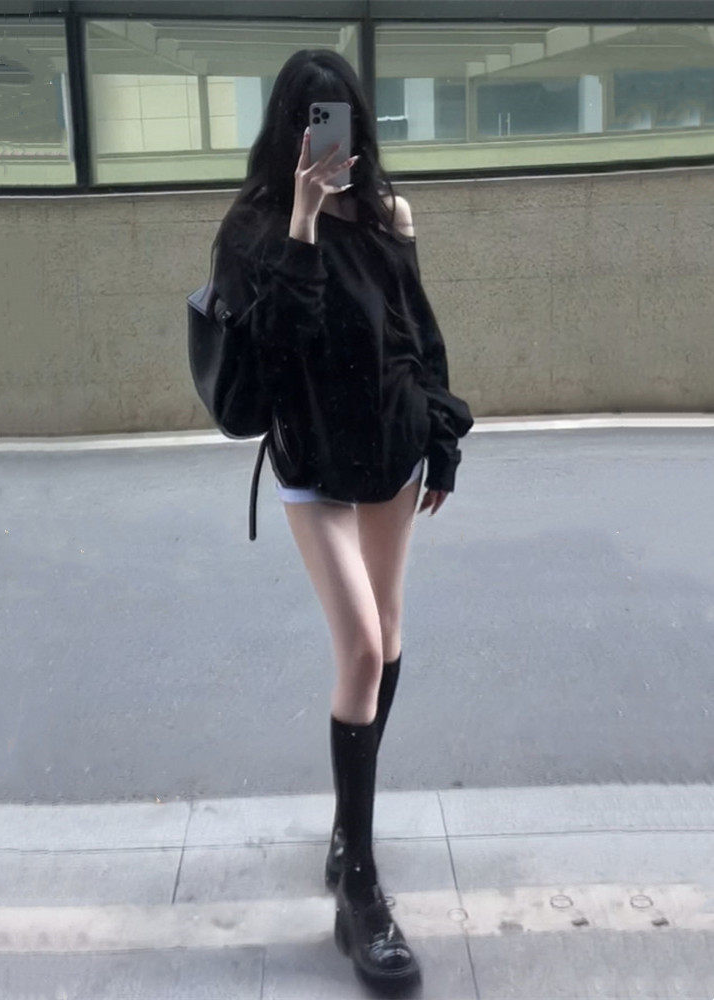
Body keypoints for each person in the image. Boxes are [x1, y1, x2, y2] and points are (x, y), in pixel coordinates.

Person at [212, 49, 474, 993]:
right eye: (311, 122)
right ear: (290, 132)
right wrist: (301, 219)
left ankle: (345, 828)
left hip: (391, 452)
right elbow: (278, 352)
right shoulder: (252, 231)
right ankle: (359, 890)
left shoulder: (389, 217)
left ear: (357, 127)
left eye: (342, 120)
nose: (327, 139)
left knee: (387, 634)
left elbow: (417, 334)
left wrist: (442, 439)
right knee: (361, 645)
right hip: (312, 465)